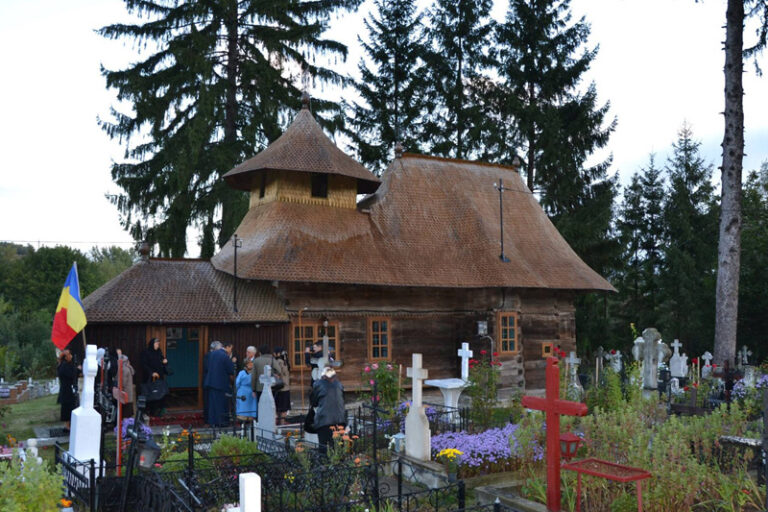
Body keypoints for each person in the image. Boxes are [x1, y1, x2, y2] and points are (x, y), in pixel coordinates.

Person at [310, 366, 346, 455]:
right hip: (340, 421)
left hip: (324, 421)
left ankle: (325, 462)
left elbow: (313, 402)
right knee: (338, 447)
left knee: (324, 449)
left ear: (323, 376)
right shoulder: (339, 385)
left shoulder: (318, 385)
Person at [204, 341, 235, 426]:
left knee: (212, 404)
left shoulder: (212, 354)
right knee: (221, 404)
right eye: (231, 349)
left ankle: (212, 422)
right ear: (227, 347)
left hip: (211, 382)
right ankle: (221, 422)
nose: (231, 351)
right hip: (221, 383)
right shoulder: (225, 356)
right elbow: (230, 370)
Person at [140, 338, 168, 417]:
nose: (157, 345)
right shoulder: (146, 352)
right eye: (156, 343)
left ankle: (159, 410)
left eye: (158, 343)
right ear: (152, 344)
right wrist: (151, 373)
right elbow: (144, 364)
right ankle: (151, 410)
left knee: (160, 392)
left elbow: (162, 360)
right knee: (151, 393)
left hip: (159, 376)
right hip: (150, 377)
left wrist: (165, 362)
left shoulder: (159, 351)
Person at [57, 350, 80, 430]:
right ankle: (67, 425)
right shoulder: (64, 366)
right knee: (67, 407)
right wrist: (77, 370)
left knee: (71, 406)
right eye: (69, 355)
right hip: (66, 389)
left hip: (68, 389)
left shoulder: (66, 365)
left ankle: (70, 424)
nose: (71, 356)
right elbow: (71, 374)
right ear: (66, 357)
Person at [203, 340, 223, 424]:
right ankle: (209, 419)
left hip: (213, 382)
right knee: (208, 402)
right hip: (210, 382)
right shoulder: (209, 356)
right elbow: (208, 368)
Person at [272, 348, 291, 425]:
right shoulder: (285, 361)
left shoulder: (278, 361)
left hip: (280, 387)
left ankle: (280, 422)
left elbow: (278, 372)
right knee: (284, 407)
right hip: (286, 387)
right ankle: (282, 422)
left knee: (279, 407)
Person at [116, 348, 135, 419]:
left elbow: (122, 382)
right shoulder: (127, 367)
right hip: (128, 393)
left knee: (125, 413)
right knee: (128, 411)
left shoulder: (123, 369)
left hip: (125, 393)